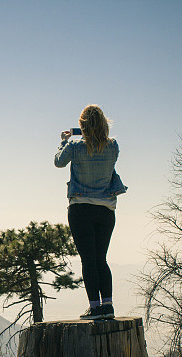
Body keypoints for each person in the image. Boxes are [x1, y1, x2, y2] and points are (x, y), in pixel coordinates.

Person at [54, 104, 127, 320]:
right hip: (106, 209)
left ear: (82, 126)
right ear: (104, 124)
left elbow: (58, 162)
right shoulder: (113, 146)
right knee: (101, 259)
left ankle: (95, 308)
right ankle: (108, 306)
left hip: (81, 208)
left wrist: (64, 141)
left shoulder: (75, 147)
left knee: (88, 260)